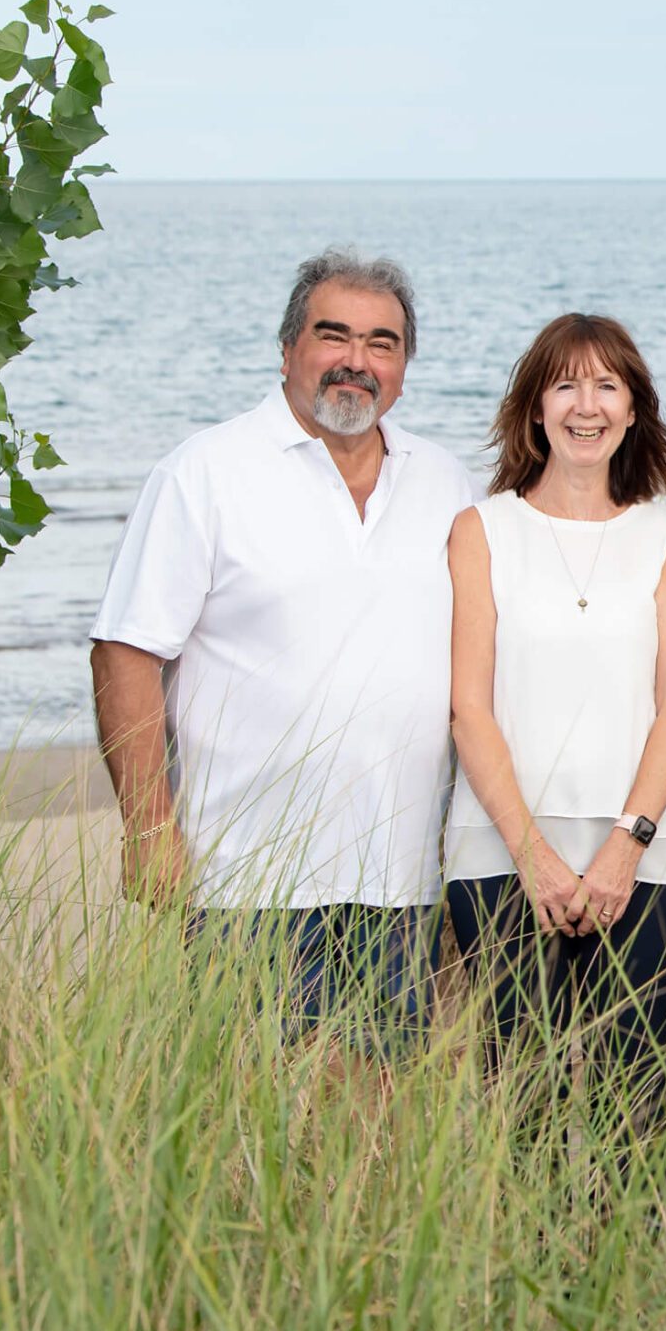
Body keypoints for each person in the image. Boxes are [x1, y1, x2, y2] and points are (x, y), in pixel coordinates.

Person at [90, 248, 473, 1051]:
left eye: (383, 343)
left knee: (378, 1112)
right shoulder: (206, 472)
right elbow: (127, 651)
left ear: (404, 365)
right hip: (244, 879)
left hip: (400, 877)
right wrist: (149, 828)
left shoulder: (444, 480)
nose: (356, 362)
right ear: (288, 347)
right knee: (243, 1112)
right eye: (334, 336)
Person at [441, 314, 666, 1181]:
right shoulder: (482, 529)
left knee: (634, 1098)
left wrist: (625, 847)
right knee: (526, 1098)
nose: (585, 405)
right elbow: (469, 712)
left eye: (606, 386)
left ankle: (619, 1304)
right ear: (535, 408)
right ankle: (535, 1302)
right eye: (565, 384)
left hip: (646, 855)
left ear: (633, 410)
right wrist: (535, 855)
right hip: (503, 851)